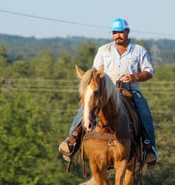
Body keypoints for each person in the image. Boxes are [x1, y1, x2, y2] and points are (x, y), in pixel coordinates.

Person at [59, 17, 158, 165]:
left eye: (120, 32)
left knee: (144, 113)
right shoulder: (104, 50)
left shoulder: (139, 51)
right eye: (115, 32)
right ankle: (72, 139)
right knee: (85, 107)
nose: (117, 35)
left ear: (127, 31)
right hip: (106, 92)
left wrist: (134, 76)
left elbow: (149, 72)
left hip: (129, 91)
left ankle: (148, 147)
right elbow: (94, 72)